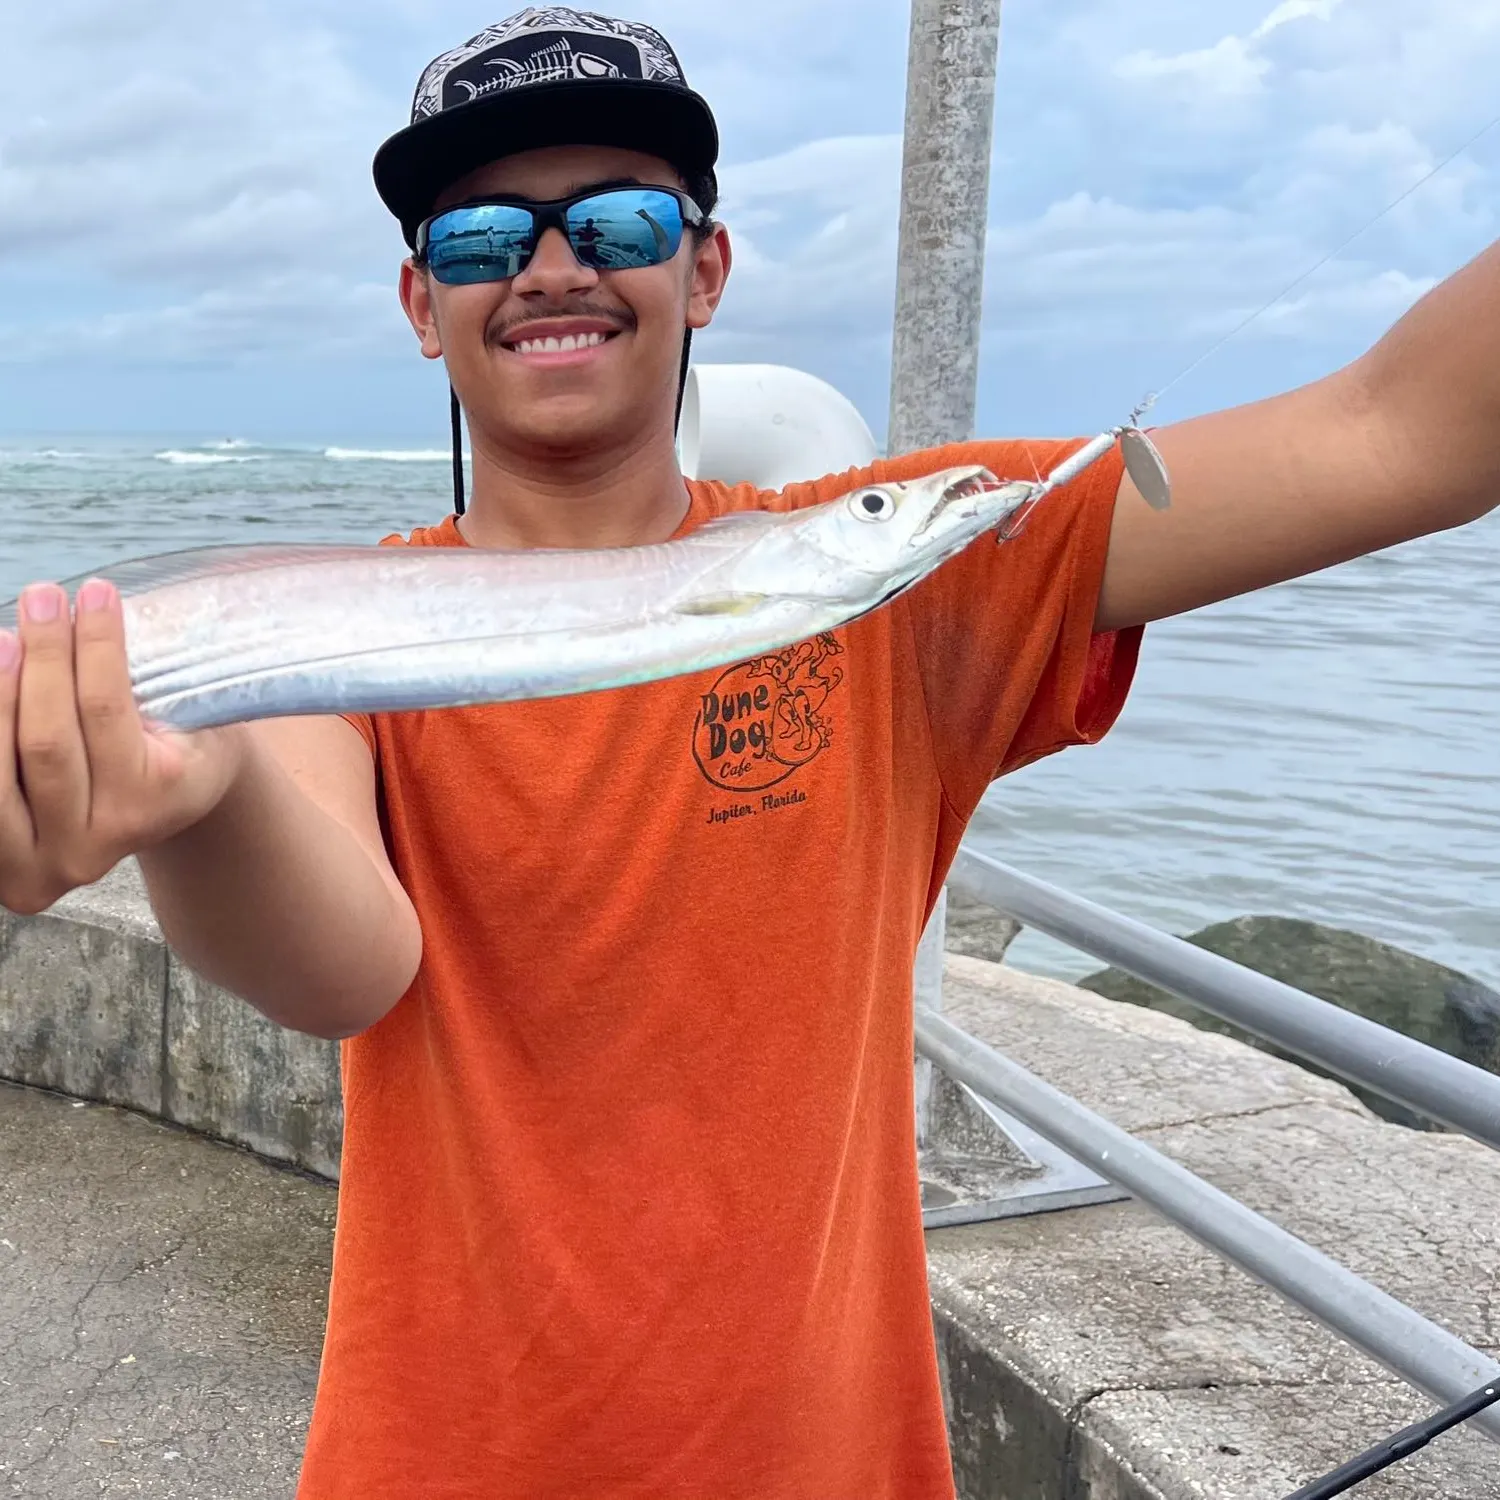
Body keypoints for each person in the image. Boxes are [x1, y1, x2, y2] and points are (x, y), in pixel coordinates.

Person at [1, 8, 1497, 1498]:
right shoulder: (331, 632)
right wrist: (190, 796)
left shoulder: (905, 561)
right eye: (481, 241)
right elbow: (344, 970)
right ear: (419, 301)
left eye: (622, 218)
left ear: (705, 267)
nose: (552, 268)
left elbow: (1401, 433)